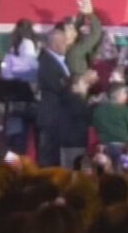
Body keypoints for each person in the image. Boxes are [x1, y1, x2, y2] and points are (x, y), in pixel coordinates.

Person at [36, 21, 89, 169]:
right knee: (48, 159)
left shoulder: (57, 61)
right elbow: (60, 88)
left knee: (55, 158)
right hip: (51, 118)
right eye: (64, 42)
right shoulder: (47, 63)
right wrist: (77, 90)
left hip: (58, 119)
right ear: (55, 44)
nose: (67, 45)